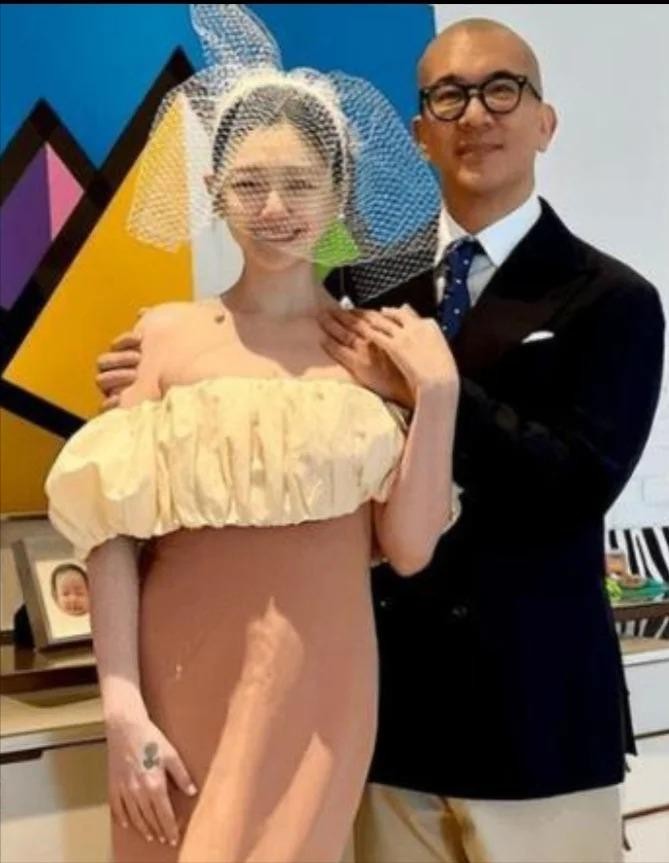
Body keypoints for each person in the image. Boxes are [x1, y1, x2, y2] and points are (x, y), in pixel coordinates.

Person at [96, 14, 665, 863]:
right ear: (418, 133)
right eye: (448, 96)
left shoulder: (612, 298)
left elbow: (575, 485)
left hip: (534, 711)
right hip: (381, 718)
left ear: (544, 122)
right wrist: (157, 365)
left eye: (501, 90)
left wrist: (434, 393)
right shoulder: (360, 289)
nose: (475, 114)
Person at [46, 6, 458, 863]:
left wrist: (438, 393)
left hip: (324, 692)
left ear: (338, 191)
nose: (274, 207)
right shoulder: (162, 337)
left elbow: (410, 547)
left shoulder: (371, 349)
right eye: (248, 183)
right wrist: (120, 705)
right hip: (177, 683)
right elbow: (112, 534)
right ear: (214, 191)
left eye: (299, 184)